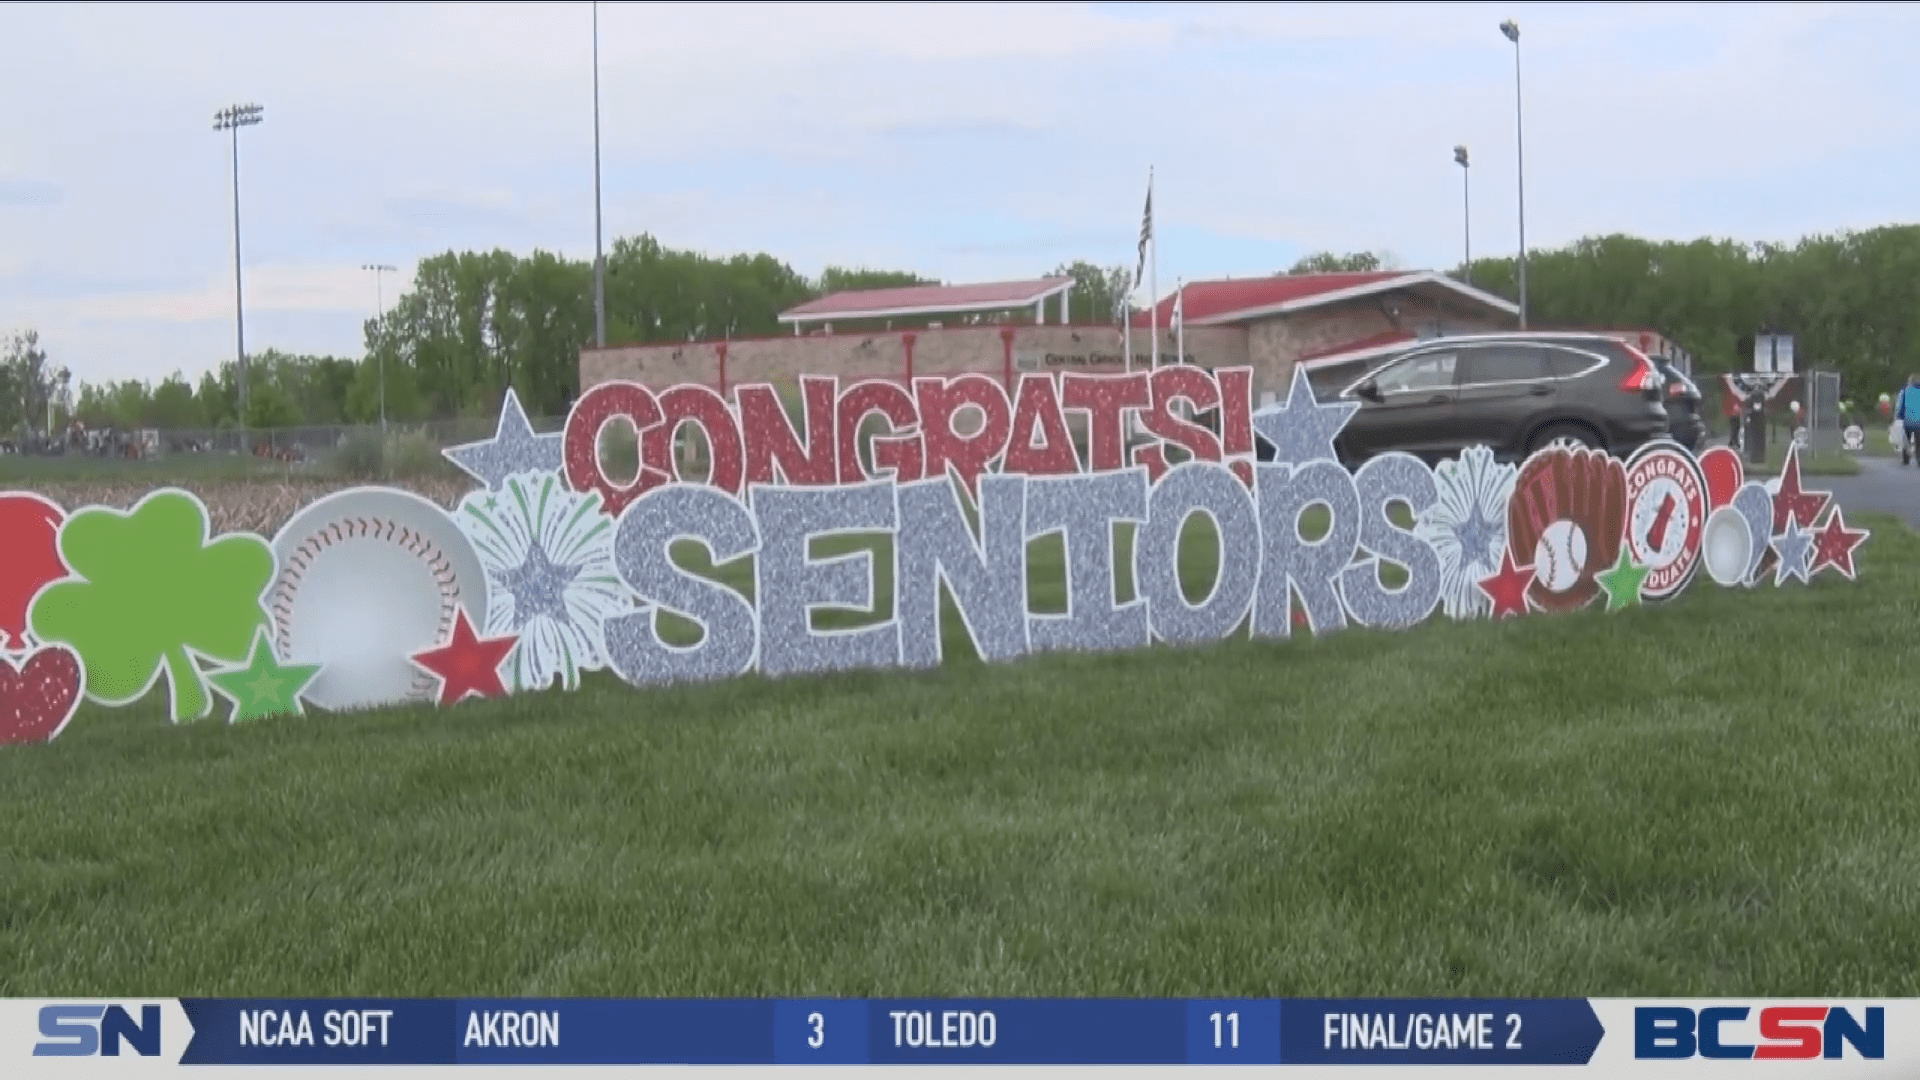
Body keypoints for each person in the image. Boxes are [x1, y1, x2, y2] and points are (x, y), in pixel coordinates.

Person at [1899, 375, 1920, 465]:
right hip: (1919, 422)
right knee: (1918, 442)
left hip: (1908, 420)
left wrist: (1900, 416)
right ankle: (1919, 460)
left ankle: (1905, 459)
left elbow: (1901, 405)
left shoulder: (1905, 390)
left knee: (1906, 440)